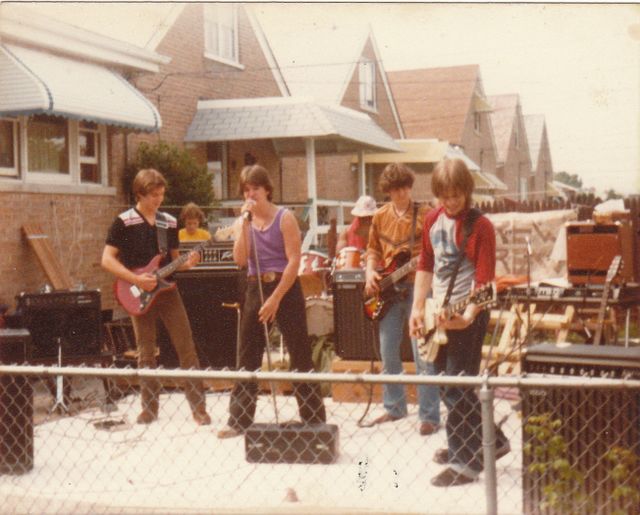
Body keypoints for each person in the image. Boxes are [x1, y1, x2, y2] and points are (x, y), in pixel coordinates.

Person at [409, 157, 510, 487]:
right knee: (445, 384)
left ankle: (464, 461)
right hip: (438, 312)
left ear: (467, 190)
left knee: (458, 384)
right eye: (444, 196)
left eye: (456, 195)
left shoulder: (480, 226)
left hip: (469, 313)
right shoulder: (432, 219)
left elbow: (485, 282)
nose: (451, 202)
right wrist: (417, 308)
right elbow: (425, 265)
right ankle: (493, 441)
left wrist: (467, 316)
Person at [217, 164, 327, 438]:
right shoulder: (244, 222)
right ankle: (239, 419)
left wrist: (276, 298)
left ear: (267, 189)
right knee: (247, 353)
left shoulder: (284, 218)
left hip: (284, 286)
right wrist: (243, 225)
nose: (251, 194)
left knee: (299, 352)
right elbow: (240, 259)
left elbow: (294, 261)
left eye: (255, 188)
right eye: (246, 190)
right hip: (255, 286)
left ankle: (313, 418)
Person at [101, 168, 211, 426]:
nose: (159, 200)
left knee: (186, 347)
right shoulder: (123, 222)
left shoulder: (169, 222)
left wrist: (188, 263)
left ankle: (199, 409)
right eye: (154, 195)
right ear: (139, 194)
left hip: (168, 291)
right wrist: (136, 279)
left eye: (161, 194)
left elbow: (174, 261)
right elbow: (106, 259)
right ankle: (148, 409)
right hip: (138, 292)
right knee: (146, 351)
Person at [364, 163, 441, 436]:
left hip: (418, 288)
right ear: (388, 190)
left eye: (405, 187)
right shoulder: (380, 216)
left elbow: (437, 250)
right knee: (388, 351)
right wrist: (370, 272)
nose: (402, 193)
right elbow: (372, 249)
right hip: (389, 292)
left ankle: (429, 415)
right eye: (396, 189)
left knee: (423, 353)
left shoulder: (427, 214)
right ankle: (395, 406)